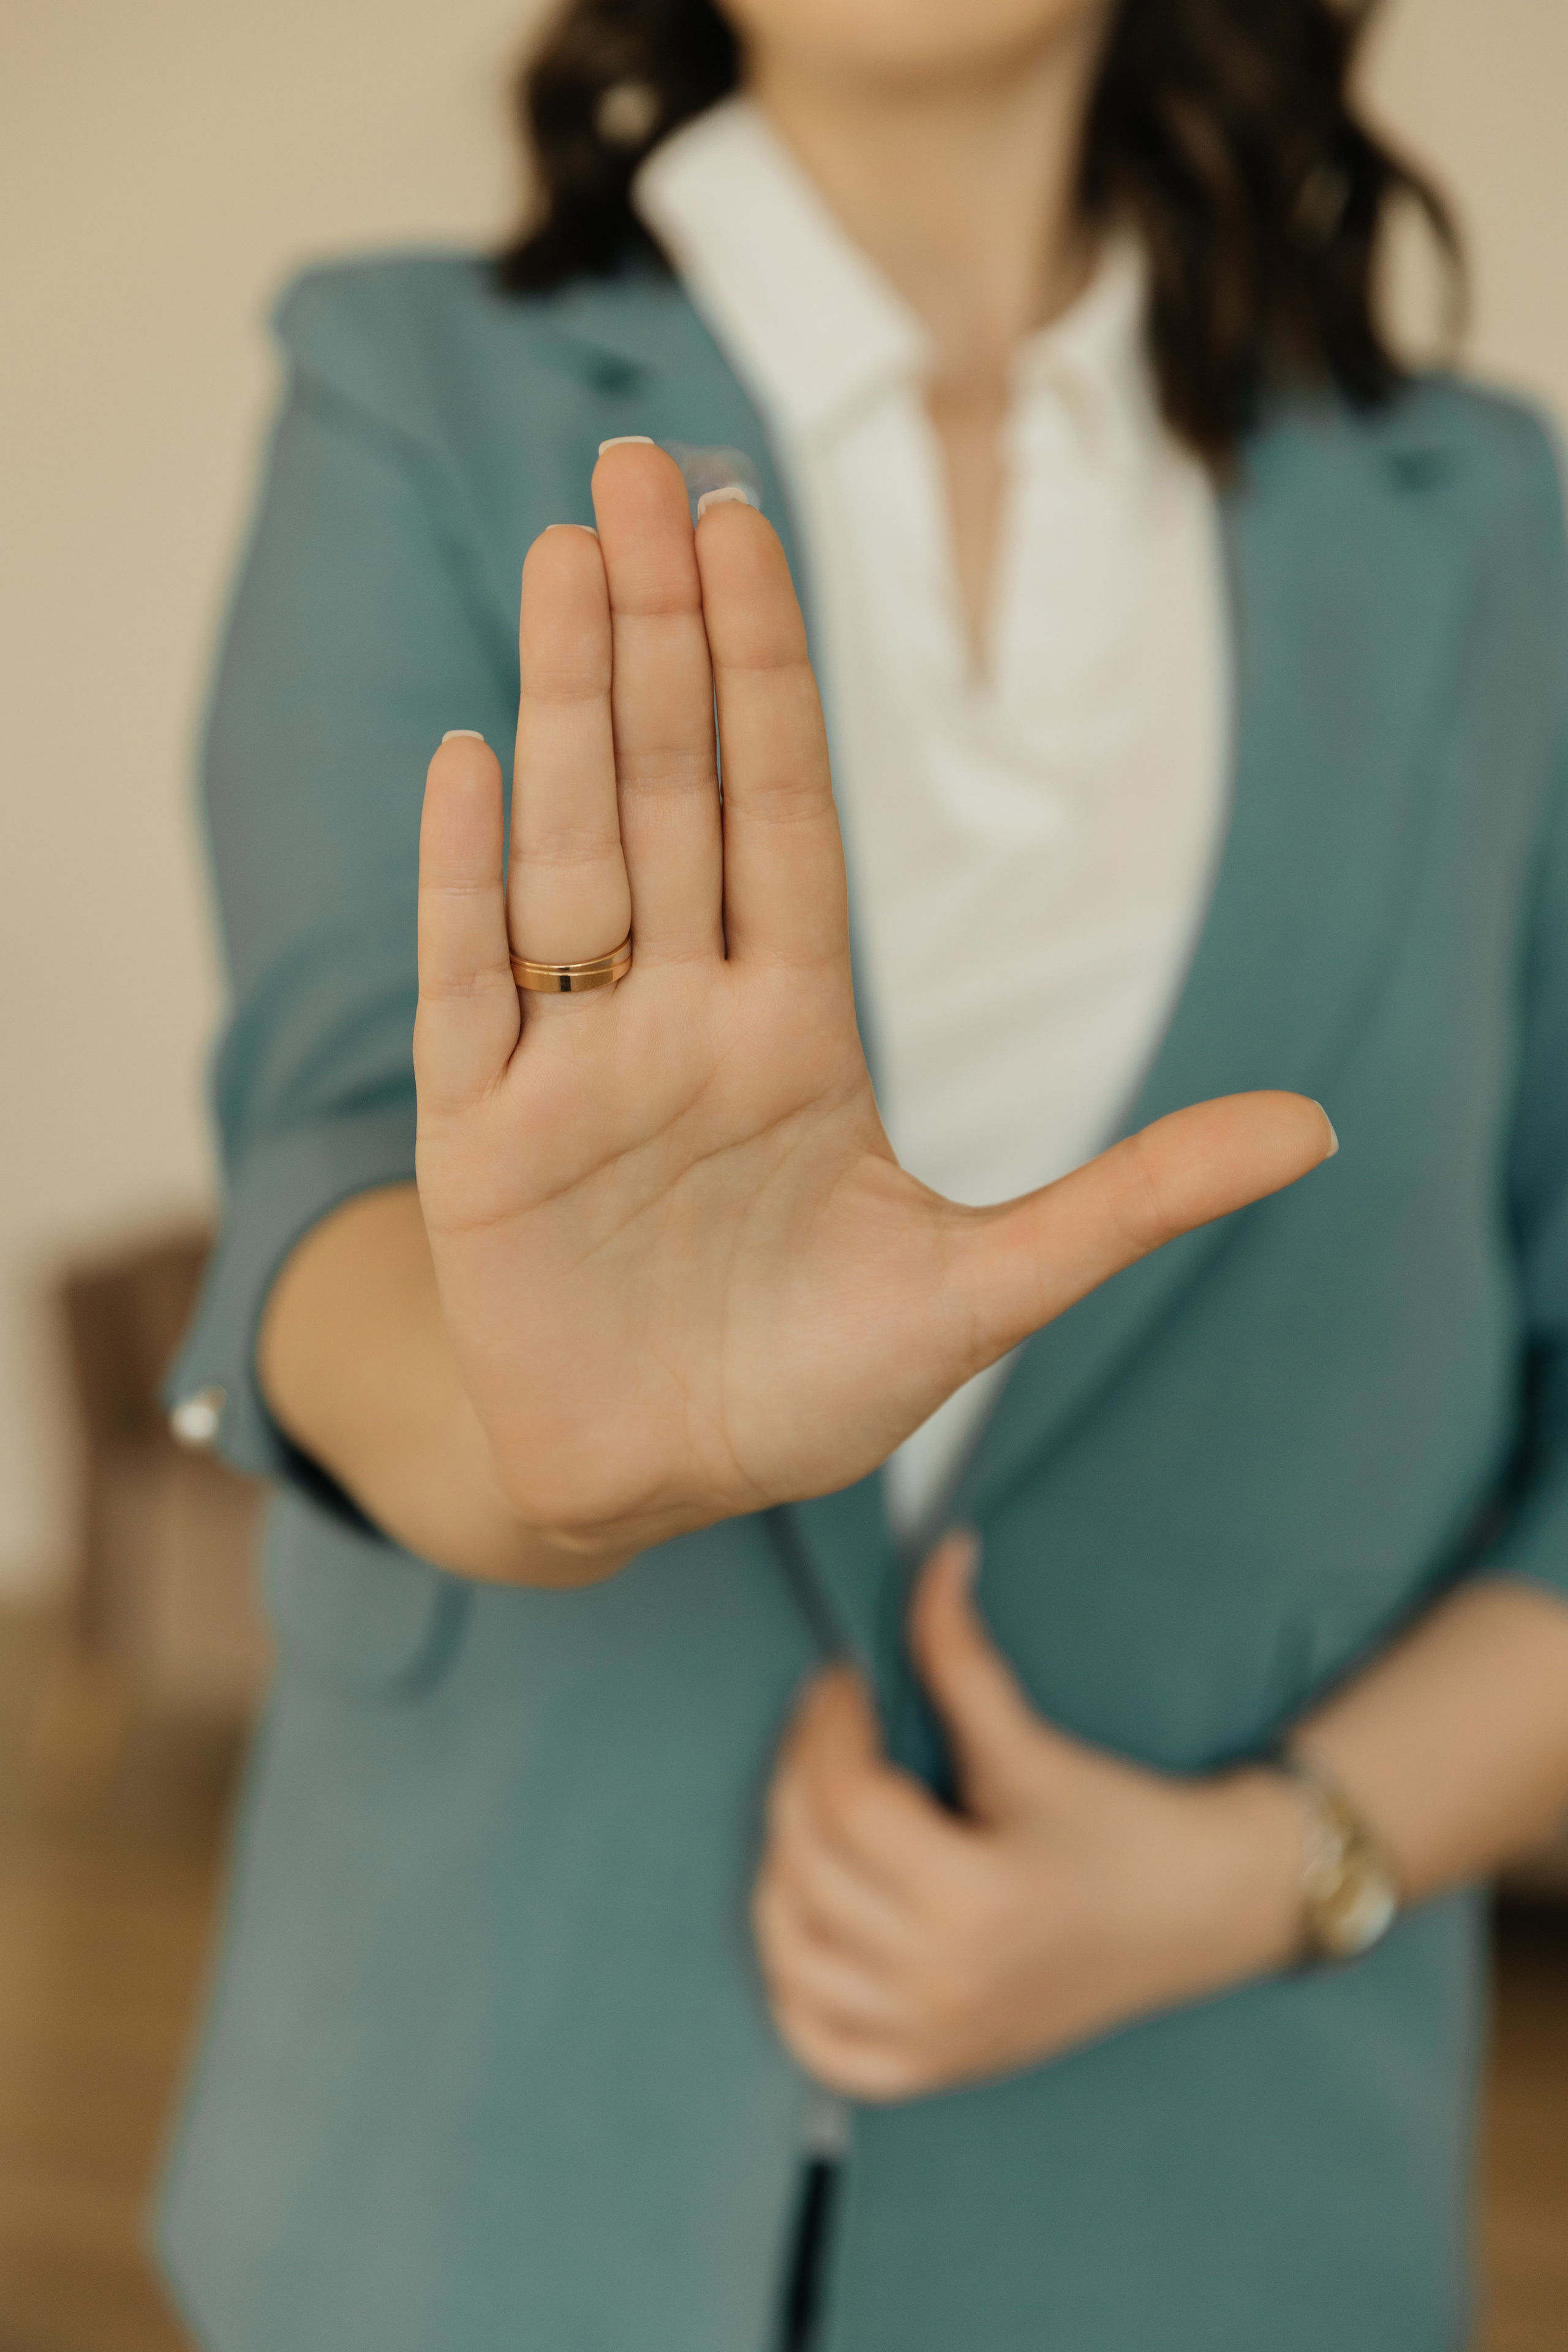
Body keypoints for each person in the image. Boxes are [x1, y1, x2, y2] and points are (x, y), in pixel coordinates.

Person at [160, 0, 1568, 2346]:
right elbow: (322, 1169)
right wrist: (542, 1430)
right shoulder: (406, 383)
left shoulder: (1484, 528)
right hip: (476, 2153)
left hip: (1215, 2202)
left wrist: (1258, 1872)